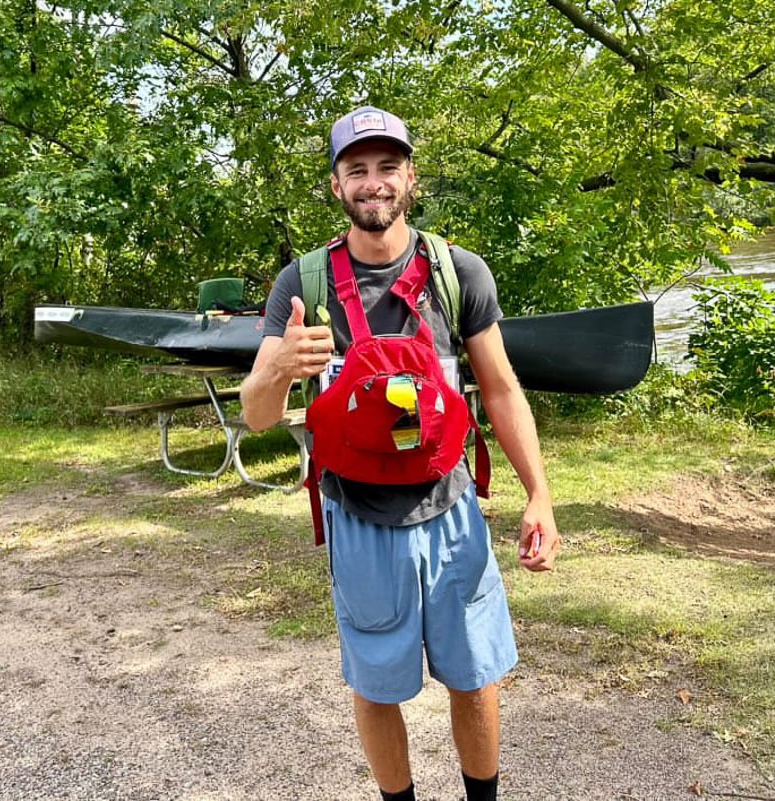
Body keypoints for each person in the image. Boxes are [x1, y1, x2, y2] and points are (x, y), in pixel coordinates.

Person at [240, 106, 560, 801]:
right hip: (356, 518)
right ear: (335, 185)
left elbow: (500, 391)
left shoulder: (457, 272)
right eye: (357, 169)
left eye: (387, 167)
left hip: (451, 511)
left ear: (410, 177)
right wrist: (277, 370)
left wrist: (538, 493)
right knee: (376, 680)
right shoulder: (303, 285)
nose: (373, 182)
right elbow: (258, 416)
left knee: (474, 675)